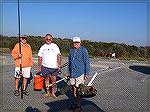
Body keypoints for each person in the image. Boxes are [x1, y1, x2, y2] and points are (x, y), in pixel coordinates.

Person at [68, 37, 90, 110]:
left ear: (80, 43)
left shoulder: (84, 51)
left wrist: (86, 73)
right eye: (74, 42)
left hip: (80, 73)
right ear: (73, 43)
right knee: (74, 88)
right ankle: (76, 103)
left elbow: (87, 62)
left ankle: (78, 105)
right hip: (72, 73)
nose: (76, 44)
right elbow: (70, 62)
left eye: (77, 42)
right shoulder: (71, 50)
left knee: (79, 89)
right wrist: (69, 72)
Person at [37, 34, 61, 98]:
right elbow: (39, 57)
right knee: (46, 80)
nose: (48, 40)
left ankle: (53, 93)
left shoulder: (55, 46)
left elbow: (59, 56)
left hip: (54, 67)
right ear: (45, 39)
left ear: (52, 39)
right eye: (47, 39)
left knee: (54, 80)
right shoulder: (43, 47)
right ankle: (48, 92)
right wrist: (39, 67)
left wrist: (59, 65)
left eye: (49, 39)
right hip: (45, 67)